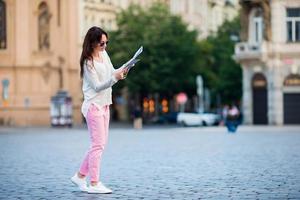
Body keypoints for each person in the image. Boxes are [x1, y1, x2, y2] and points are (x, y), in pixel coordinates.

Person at [71, 26, 129, 194]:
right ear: (93, 43)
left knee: (100, 144)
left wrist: (123, 69)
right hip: (93, 106)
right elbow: (97, 86)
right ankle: (94, 183)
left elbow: (112, 72)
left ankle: (80, 176)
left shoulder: (104, 54)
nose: (105, 46)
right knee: (97, 145)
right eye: (102, 43)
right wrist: (114, 78)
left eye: (106, 42)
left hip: (105, 104)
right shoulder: (88, 62)